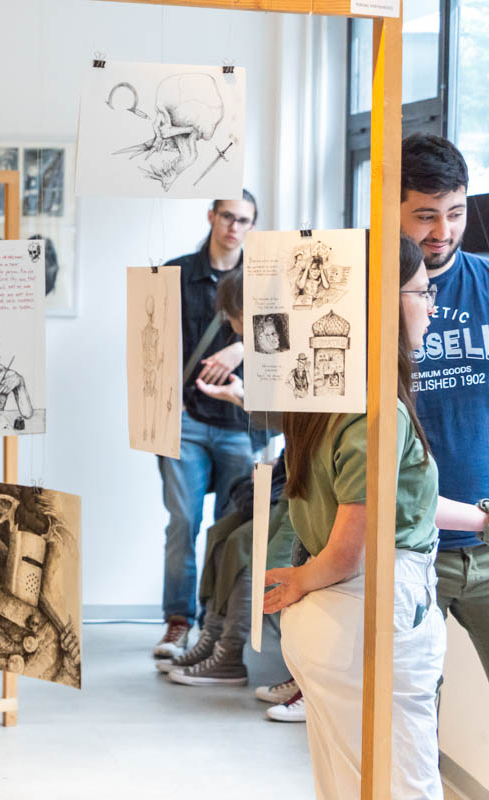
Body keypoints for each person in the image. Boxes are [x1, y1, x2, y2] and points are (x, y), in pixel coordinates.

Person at [265, 236, 489, 799]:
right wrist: (301, 578)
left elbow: (398, 504)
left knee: (347, 784)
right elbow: (350, 549)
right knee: (407, 785)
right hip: (370, 608)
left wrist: (483, 519)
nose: (433, 306)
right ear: (383, 303)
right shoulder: (377, 411)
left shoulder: (324, 396)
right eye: (422, 292)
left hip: (333, 620)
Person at [153, 190, 261, 660]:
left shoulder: (264, 278)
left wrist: (241, 346)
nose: (234, 227)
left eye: (244, 220)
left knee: (230, 529)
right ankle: (178, 621)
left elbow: (286, 336)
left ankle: (214, 626)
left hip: (242, 420)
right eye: (228, 217)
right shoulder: (174, 274)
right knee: (183, 522)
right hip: (187, 421)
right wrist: (160, 404)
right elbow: (152, 342)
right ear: (211, 216)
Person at [400, 133, 489, 680]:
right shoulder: (363, 298)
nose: (443, 231)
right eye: (425, 215)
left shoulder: (486, 283)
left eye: (455, 213)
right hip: (407, 549)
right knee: (406, 711)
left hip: (486, 540)